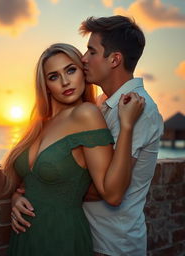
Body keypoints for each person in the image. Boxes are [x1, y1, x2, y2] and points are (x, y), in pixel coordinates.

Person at [10, 15, 164, 256]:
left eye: (91, 51)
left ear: (114, 59)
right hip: (83, 234)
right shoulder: (102, 104)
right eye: (53, 76)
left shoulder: (139, 111)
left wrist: (43, 191)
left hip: (115, 244)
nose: (84, 58)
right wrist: (23, 194)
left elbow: (108, 190)